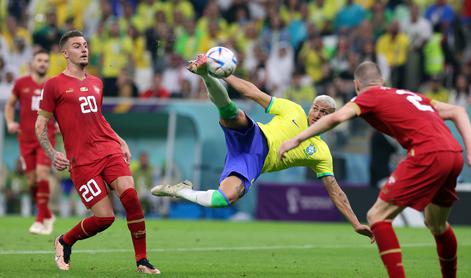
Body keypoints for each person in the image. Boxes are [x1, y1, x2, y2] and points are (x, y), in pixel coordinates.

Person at [279, 61, 471, 278]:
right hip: (454, 154)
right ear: (382, 81)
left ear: (356, 84)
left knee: (377, 216)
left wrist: (296, 139)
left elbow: (336, 117)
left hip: (428, 153)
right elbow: (458, 111)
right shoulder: (410, 95)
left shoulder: (367, 97)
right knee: (436, 223)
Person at [151, 54, 373, 241]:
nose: (318, 115)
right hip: (256, 136)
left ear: (333, 119)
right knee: (232, 112)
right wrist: (226, 75)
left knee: (222, 199)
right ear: (310, 108)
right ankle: (206, 75)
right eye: (316, 109)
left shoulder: (321, 152)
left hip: (251, 163)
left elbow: (335, 191)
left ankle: (179, 190)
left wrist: (355, 223)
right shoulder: (293, 110)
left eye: (325, 113)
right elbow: (253, 92)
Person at [35, 30, 160, 274]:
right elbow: (41, 124)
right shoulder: (54, 85)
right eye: (77, 46)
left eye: (85, 45)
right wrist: (52, 154)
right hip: (82, 161)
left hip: (109, 150)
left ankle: (142, 260)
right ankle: (64, 241)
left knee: (131, 197)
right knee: (105, 218)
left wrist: (120, 140)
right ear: (65, 53)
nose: (84, 49)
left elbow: (98, 118)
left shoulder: (96, 83)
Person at [4, 49, 56, 235]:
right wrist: (10, 122)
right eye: (39, 60)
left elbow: (63, 108)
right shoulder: (21, 83)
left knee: (42, 174)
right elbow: (9, 104)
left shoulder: (53, 84)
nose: (43, 63)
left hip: (45, 137)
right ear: (32, 63)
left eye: (46, 60)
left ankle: (40, 219)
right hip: (25, 139)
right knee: (32, 181)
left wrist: (59, 124)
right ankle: (47, 213)